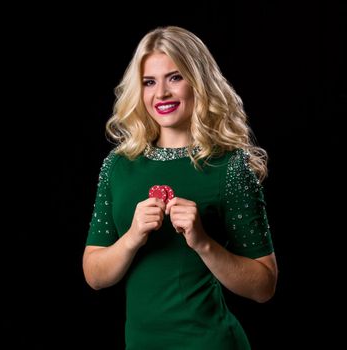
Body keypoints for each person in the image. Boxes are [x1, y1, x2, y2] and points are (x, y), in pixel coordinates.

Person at [82, 26, 278, 349]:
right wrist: (132, 237)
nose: (161, 93)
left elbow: (264, 285)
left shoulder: (230, 166)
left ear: (197, 82)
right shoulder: (117, 166)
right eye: (149, 82)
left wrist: (203, 242)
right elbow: (94, 273)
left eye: (175, 77)